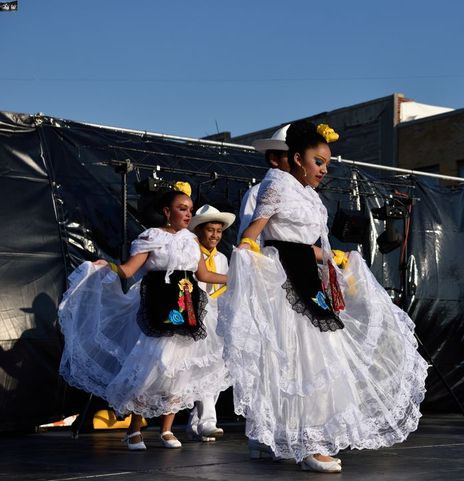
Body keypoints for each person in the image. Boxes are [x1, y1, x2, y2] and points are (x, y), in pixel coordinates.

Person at [219, 121, 428, 473]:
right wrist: (246, 253)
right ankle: (309, 444)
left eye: (327, 163)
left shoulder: (310, 196)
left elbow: (307, 246)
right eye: (319, 162)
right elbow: (256, 232)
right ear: (297, 159)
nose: (324, 169)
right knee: (302, 359)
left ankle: (283, 438)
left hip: (307, 277)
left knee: (313, 356)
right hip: (286, 280)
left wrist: (338, 258)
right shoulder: (275, 185)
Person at [59, 183, 229, 450]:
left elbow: (203, 275)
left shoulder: (191, 240)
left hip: (186, 306)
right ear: (166, 211)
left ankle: (166, 429)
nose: (187, 214)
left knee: (178, 370)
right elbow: (128, 271)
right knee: (152, 366)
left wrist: (236, 277)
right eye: (181, 209)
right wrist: (106, 266)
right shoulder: (152, 237)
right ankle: (134, 428)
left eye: (190, 210)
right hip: (157, 306)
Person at [185, 204, 236, 442]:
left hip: (217, 318)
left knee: (216, 371)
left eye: (219, 230)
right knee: (204, 369)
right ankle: (207, 421)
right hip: (197, 315)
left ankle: (198, 421)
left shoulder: (223, 259)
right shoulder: (192, 254)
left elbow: (223, 292)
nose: (215, 235)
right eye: (210, 230)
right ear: (199, 231)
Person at [238, 124, 291, 241]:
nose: (298, 162)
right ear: (274, 159)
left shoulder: (306, 194)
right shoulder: (256, 193)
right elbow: (251, 240)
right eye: (290, 156)